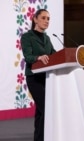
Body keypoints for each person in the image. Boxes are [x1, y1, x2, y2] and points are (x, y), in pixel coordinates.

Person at [21, 9, 56, 141]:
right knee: (45, 109)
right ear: (35, 19)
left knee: (40, 112)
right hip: (34, 78)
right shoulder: (27, 37)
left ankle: (39, 138)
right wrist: (39, 57)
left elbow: (54, 54)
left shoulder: (47, 38)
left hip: (47, 77)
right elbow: (28, 57)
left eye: (48, 19)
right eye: (43, 18)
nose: (46, 21)